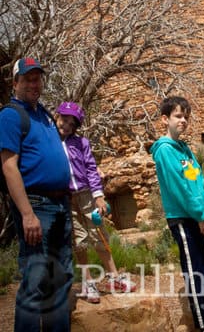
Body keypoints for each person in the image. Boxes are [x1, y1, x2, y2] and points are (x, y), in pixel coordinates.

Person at [0, 58, 73, 332]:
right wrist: (27, 214)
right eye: (28, 78)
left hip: (59, 205)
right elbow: (9, 167)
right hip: (37, 206)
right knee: (36, 279)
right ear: (15, 82)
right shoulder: (10, 115)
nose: (34, 83)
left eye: (37, 78)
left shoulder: (43, 114)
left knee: (60, 279)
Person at [151, 96, 204, 332]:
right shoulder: (164, 150)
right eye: (177, 116)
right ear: (165, 119)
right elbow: (179, 189)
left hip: (196, 215)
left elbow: (196, 183)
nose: (183, 121)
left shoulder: (185, 150)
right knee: (195, 271)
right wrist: (199, 214)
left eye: (186, 117)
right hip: (183, 219)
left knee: (203, 268)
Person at [55, 101, 136, 303]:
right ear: (57, 117)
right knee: (79, 241)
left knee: (98, 235)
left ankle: (114, 277)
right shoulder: (51, 143)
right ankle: (88, 282)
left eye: (71, 123)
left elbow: (91, 169)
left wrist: (98, 195)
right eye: (63, 119)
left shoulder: (81, 143)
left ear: (76, 127)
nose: (65, 125)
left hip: (86, 195)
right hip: (66, 197)